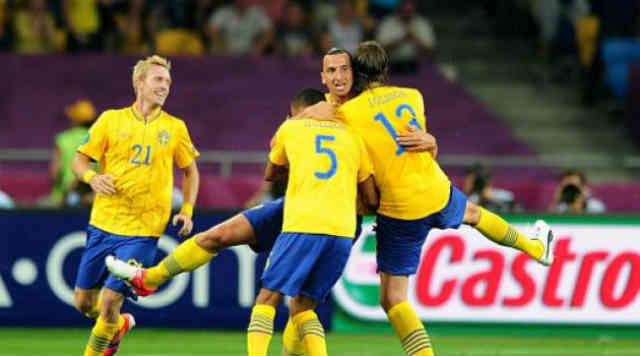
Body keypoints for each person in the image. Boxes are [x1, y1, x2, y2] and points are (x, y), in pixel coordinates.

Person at [104, 48, 435, 354]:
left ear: (355, 74)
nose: (337, 76)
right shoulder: (318, 108)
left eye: (343, 69)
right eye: (331, 70)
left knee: (298, 307)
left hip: (336, 214)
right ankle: (150, 279)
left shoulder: (362, 114)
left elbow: (401, 163)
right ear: (323, 78)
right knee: (217, 236)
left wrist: (429, 142)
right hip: (299, 205)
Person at [303, 41, 556, 356]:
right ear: (385, 69)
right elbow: (416, 143)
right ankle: (534, 247)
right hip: (436, 189)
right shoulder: (413, 96)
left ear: (355, 73)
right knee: (476, 215)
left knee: (393, 299)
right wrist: (431, 140)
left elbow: (319, 120)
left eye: (344, 70)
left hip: (401, 208)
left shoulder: (346, 113)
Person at [72, 55, 200, 356]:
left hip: (144, 229)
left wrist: (187, 210)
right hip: (104, 221)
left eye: (168, 81)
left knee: (109, 302)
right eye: (158, 80)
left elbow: (190, 171)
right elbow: (79, 161)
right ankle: (117, 326)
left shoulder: (175, 127)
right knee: (84, 303)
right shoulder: (110, 120)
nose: (164, 86)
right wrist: (92, 177)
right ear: (138, 83)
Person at [246, 87, 377, 356]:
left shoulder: (292, 128)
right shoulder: (354, 137)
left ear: (300, 110)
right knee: (305, 306)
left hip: (304, 223)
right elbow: (371, 198)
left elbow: (271, 174)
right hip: (342, 231)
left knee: (267, 297)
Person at [49, 99, 97, 208]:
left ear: (75, 120)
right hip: (92, 194)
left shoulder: (63, 139)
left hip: (65, 197)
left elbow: (55, 173)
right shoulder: (97, 138)